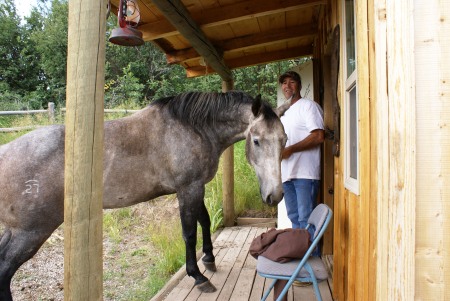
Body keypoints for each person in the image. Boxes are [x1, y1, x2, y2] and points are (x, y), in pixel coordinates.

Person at [279, 70, 324, 244]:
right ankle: (301, 259)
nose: (287, 86)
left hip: (305, 174)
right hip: (286, 174)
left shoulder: (308, 106)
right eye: (284, 83)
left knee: (306, 219)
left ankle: (312, 261)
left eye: (291, 82)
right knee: (294, 218)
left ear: (299, 85)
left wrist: (291, 150)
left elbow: (319, 136)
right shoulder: (283, 113)